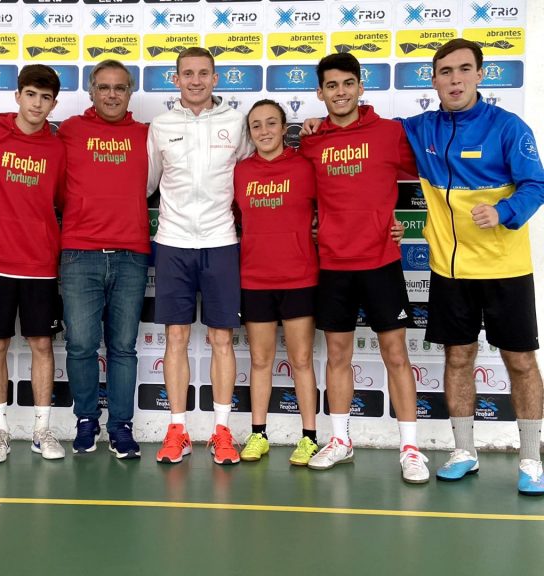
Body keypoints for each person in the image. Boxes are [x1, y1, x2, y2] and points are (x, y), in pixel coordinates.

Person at [399, 38, 544, 494]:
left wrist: (503, 211)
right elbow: (368, 138)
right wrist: (322, 124)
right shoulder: (420, 129)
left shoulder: (508, 126)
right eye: (445, 71)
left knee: (520, 361)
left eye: (464, 69)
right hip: (450, 271)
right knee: (458, 357)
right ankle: (464, 451)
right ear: (433, 80)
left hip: (505, 268)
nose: (455, 79)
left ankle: (531, 459)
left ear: (481, 75)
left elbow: (535, 184)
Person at [300, 53, 429, 483]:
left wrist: (403, 222)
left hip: (381, 261)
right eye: (331, 85)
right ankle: (341, 440)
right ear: (320, 92)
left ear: (360, 86)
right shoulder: (311, 142)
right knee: (338, 356)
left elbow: (433, 173)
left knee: (396, 355)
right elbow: (295, 193)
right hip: (333, 264)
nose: (340, 92)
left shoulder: (390, 133)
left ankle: (410, 449)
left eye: (347, 83)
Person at [148, 47, 252, 465]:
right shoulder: (161, 125)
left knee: (221, 338)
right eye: (187, 74)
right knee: (175, 337)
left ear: (215, 78)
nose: (195, 81)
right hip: (172, 242)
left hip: (221, 241)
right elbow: (149, 183)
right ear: (176, 80)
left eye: (203, 73)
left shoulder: (236, 122)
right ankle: (178, 430)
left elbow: (254, 175)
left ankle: (221, 432)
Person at [0, 65, 67, 462]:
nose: (37, 104)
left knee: (42, 344)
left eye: (45, 98)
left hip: (41, 261)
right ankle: (0, 432)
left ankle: (42, 430)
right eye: (31, 94)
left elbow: (61, 200)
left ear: (53, 104)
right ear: (17, 95)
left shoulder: (58, 149)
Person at [56, 60, 150, 459]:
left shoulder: (146, 134)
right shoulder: (70, 130)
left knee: (123, 347)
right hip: (80, 253)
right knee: (80, 344)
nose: (112, 94)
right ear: (92, 90)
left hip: (131, 255)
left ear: (130, 92)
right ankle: (86, 419)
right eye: (104, 87)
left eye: (120, 88)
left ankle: (121, 426)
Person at [233, 99, 320, 465]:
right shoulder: (240, 171)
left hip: (299, 277)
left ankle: (309, 437)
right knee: (260, 360)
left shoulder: (305, 166)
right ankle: (258, 434)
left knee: (301, 360)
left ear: (285, 128)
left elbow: (337, 206)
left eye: (271, 123)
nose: (264, 131)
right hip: (255, 278)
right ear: (249, 133)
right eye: (256, 125)